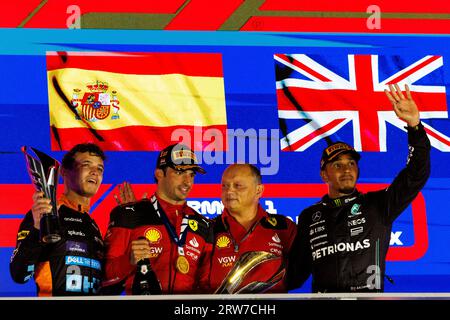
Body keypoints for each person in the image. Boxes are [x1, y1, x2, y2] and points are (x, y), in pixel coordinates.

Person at [287, 83, 431, 293]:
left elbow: (417, 174)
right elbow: (294, 276)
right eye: (337, 165)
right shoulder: (309, 216)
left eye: (351, 163)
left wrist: (415, 126)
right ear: (324, 174)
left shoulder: (379, 204)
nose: (346, 170)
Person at [102, 143, 213, 294]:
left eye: (191, 174)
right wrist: (128, 260)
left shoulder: (204, 225)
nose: (187, 182)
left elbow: (207, 286)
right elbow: (103, 277)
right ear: (159, 174)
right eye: (180, 173)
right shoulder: (129, 215)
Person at [10, 143, 106, 296]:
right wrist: (36, 229)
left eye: (100, 169)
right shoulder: (46, 214)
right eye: (86, 165)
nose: (95, 172)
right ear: (64, 171)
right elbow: (19, 275)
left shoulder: (94, 225)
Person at [208, 164, 297, 293]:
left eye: (238, 186)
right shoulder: (208, 228)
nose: (229, 191)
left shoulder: (284, 227)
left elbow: (300, 272)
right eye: (225, 186)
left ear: (258, 190)